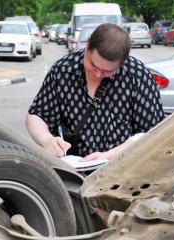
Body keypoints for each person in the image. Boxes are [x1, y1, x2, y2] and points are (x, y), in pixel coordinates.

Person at [26, 23, 165, 161]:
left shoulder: (138, 76)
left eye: (107, 71)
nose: (98, 74)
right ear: (87, 47)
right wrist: (47, 140)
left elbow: (155, 133)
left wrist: (109, 156)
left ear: (121, 63)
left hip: (121, 171)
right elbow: (36, 115)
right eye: (93, 65)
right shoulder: (63, 70)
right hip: (71, 170)